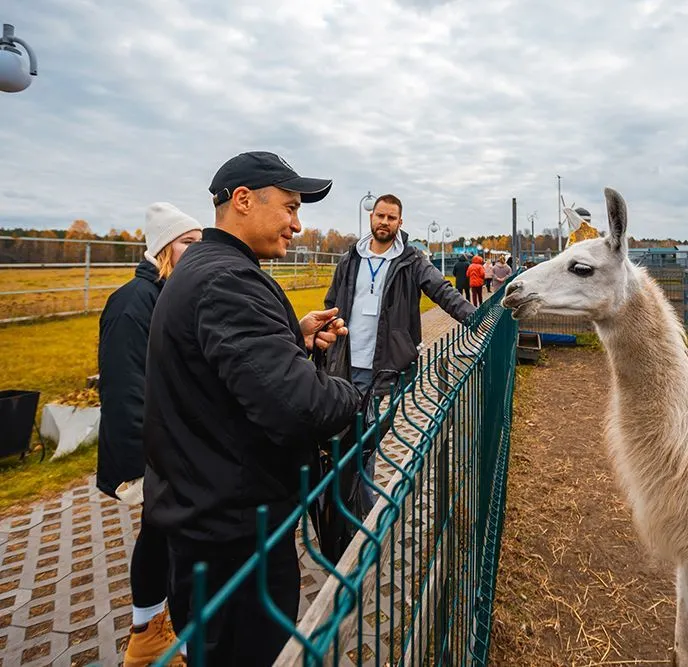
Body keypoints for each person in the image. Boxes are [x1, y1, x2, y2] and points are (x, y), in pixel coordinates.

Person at [143, 151, 362, 666]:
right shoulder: (228, 280)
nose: (297, 223)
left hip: (215, 520)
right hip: (234, 539)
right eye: (289, 206)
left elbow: (231, 375)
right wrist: (357, 395)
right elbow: (299, 407)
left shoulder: (209, 268)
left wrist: (295, 339)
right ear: (244, 200)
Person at [322, 193, 475, 513]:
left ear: (400, 223)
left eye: (391, 218)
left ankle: (359, 509)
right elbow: (331, 301)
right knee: (349, 436)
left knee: (364, 439)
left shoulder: (412, 260)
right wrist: (331, 331)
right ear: (371, 217)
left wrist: (477, 319)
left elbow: (443, 292)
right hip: (346, 362)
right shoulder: (351, 259)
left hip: (384, 365)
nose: (384, 222)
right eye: (380, 215)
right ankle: (350, 502)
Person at [97, 203, 202, 667]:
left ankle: (152, 633)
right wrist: (139, 470)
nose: (197, 252)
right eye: (188, 243)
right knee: (162, 538)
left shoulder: (168, 295)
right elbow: (124, 395)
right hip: (149, 454)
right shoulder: (131, 303)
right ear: (163, 249)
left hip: (173, 448)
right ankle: (148, 635)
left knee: (161, 539)